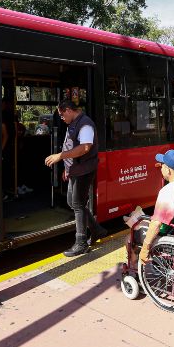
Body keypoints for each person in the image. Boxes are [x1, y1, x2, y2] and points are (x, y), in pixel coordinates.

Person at [44, 100, 107, 257]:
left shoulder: (85, 124)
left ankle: (81, 243)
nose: (61, 118)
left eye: (61, 114)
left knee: (78, 204)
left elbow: (85, 147)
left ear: (68, 110)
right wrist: (67, 168)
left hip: (84, 170)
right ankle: (97, 230)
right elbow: (71, 145)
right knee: (72, 202)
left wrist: (60, 156)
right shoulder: (74, 123)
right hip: (76, 170)